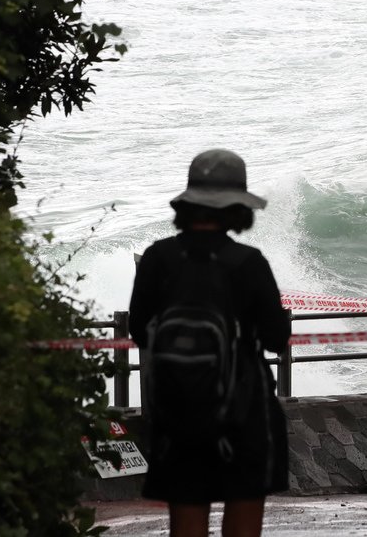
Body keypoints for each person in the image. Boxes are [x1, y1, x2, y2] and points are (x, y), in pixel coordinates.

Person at [128, 149, 290, 537]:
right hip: (244, 409)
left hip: (176, 411)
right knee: (243, 519)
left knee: (186, 521)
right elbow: (275, 340)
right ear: (236, 206)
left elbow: (138, 330)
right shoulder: (248, 262)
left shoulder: (157, 258)